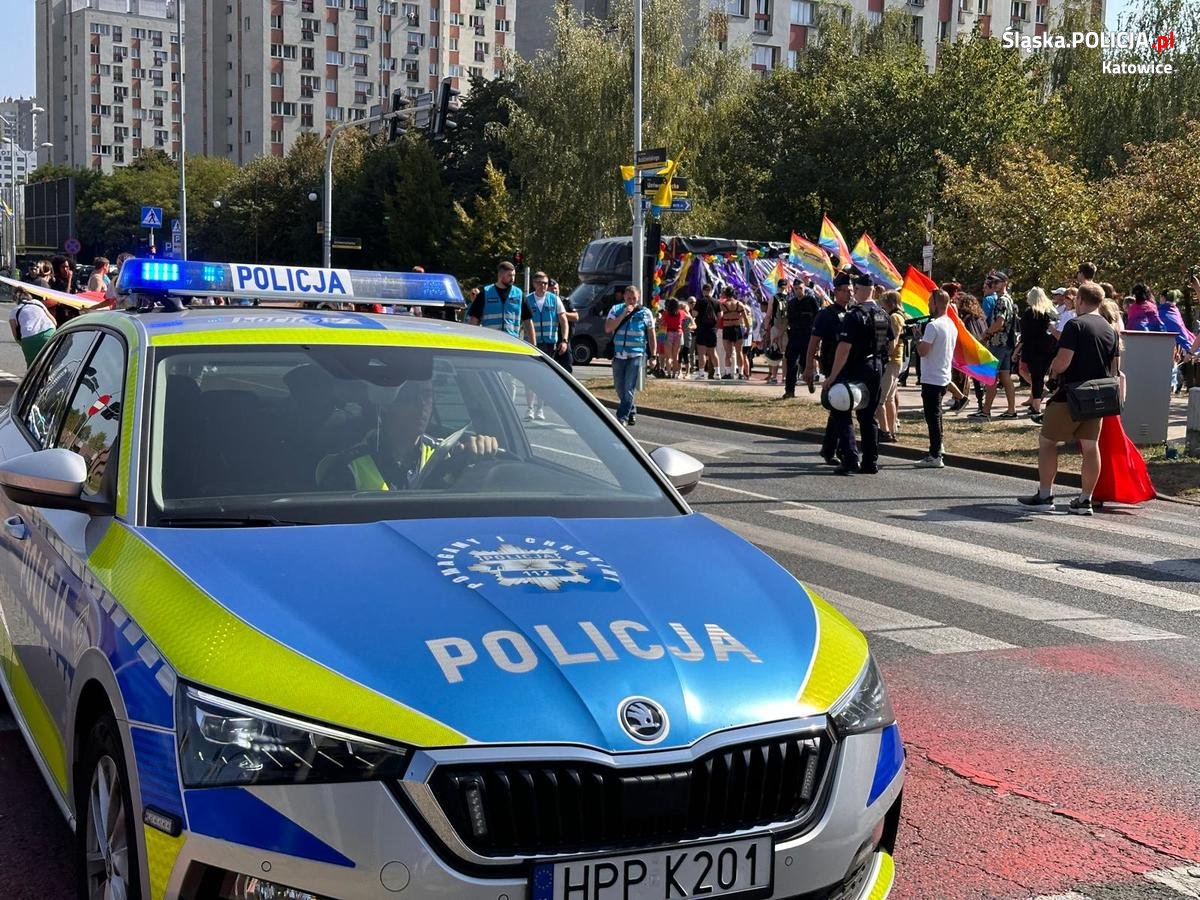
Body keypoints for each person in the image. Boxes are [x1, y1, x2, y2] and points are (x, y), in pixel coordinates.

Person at [1018, 282, 1120, 515]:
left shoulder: (1076, 325)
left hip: (1070, 394)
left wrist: (1052, 374)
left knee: (1047, 442)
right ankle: (1085, 500)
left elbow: (1063, 361)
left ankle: (1045, 495)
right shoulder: (1109, 329)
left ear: (1080, 300)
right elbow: (1115, 368)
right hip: (1097, 396)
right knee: (1091, 447)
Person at [317, 380, 500, 491]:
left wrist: (482, 454)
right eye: (410, 397)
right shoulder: (348, 466)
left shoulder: (448, 454)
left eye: (427, 395)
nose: (422, 405)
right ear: (387, 404)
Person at [822, 272, 893, 476]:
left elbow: (844, 349)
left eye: (855, 289)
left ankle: (850, 458)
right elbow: (890, 345)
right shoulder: (882, 313)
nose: (853, 293)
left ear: (860, 290)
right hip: (876, 367)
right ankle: (870, 462)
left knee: (841, 409)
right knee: (868, 416)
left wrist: (833, 376)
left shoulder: (854, 315)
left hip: (856, 368)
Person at [1089, 299, 1155, 505]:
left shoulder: (1102, 335)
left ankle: (1102, 490)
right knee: (1111, 443)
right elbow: (1116, 371)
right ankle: (1108, 488)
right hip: (1110, 394)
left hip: (1100, 395)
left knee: (1102, 445)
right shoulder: (1112, 335)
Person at [805, 273, 853, 463]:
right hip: (832, 366)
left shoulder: (853, 312)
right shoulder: (826, 314)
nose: (849, 294)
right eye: (846, 290)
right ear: (836, 292)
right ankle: (843, 451)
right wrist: (809, 367)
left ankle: (829, 449)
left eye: (851, 290)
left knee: (839, 407)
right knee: (841, 408)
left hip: (850, 366)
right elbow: (813, 342)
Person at [914, 290, 957, 468]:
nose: (928, 305)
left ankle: (935, 455)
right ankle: (939, 446)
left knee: (932, 416)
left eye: (930, 302)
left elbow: (923, 351)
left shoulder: (933, 326)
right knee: (936, 415)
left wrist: (917, 337)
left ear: (936, 304)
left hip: (932, 377)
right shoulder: (951, 324)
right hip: (943, 375)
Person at [604, 285, 656, 427]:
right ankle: (631, 410)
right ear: (624, 298)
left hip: (636, 354)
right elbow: (608, 328)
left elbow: (651, 335)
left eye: (634, 299)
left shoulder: (645, 313)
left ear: (638, 298)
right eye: (629, 299)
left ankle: (621, 417)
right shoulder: (616, 309)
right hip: (619, 354)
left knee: (629, 386)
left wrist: (653, 356)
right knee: (619, 387)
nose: (631, 301)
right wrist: (623, 315)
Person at [973, 271, 1017, 419]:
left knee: (990, 377)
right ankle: (1011, 410)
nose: (993, 285)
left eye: (997, 282)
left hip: (998, 343)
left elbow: (1000, 322)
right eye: (992, 282)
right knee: (1005, 377)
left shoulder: (1001, 300)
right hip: (1006, 344)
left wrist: (986, 334)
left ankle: (985, 411)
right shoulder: (1009, 299)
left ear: (1005, 283)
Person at [525, 272, 569, 419]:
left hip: (549, 344)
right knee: (530, 377)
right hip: (531, 343)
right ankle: (530, 408)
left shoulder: (554, 299)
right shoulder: (527, 300)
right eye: (540, 283)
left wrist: (564, 340)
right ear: (534, 284)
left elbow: (563, 321)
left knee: (544, 377)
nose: (543, 286)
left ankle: (540, 408)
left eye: (545, 283)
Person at [467, 261, 536, 343]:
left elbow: (528, 320)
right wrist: (470, 342)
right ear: (500, 275)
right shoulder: (486, 293)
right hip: (490, 341)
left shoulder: (519, 294)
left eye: (514, 275)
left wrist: (533, 343)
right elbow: (474, 320)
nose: (512, 279)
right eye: (509, 275)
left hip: (512, 341)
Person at [1019, 287, 1058, 422]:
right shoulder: (1050, 312)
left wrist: (1019, 348)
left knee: (1036, 377)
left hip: (1033, 349)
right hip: (1048, 349)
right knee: (1039, 377)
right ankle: (1036, 402)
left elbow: (1025, 334)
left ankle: (1036, 406)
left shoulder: (1030, 313)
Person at [781, 279, 821, 399]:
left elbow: (818, 318)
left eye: (800, 288)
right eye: (796, 289)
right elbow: (788, 320)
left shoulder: (811, 301)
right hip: (794, 336)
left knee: (804, 363)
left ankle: (810, 382)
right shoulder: (791, 303)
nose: (798, 291)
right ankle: (789, 391)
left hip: (807, 337)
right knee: (791, 363)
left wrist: (817, 339)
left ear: (804, 288)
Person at [8, 287, 57, 366]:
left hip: (29, 338)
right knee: (52, 362)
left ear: (15, 299)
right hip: (49, 332)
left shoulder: (13, 312)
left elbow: (16, 337)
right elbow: (54, 321)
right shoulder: (37, 303)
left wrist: (25, 345)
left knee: (33, 366)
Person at [763, 279, 790, 385]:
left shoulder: (773, 298)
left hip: (776, 328)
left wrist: (766, 329)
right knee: (785, 354)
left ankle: (774, 376)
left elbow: (768, 315)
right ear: (786, 287)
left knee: (775, 351)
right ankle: (785, 377)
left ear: (778, 287)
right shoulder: (790, 298)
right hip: (787, 329)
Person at [691, 283, 720, 379]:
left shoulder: (700, 301)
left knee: (701, 353)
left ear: (703, 291)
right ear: (711, 290)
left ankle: (702, 374)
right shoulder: (716, 302)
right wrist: (715, 327)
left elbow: (694, 314)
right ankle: (717, 373)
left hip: (702, 329)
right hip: (712, 330)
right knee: (713, 352)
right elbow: (720, 316)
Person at [551, 278, 577, 371]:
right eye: (552, 289)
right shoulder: (545, 302)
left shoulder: (565, 301)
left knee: (567, 366)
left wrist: (561, 313)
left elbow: (576, 317)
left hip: (564, 339)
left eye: (556, 288)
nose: (554, 291)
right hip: (551, 339)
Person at [718, 286, 744, 380]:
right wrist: (747, 328)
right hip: (737, 328)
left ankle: (728, 373)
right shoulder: (739, 304)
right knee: (739, 352)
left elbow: (720, 317)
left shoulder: (723, 305)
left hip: (727, 328)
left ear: (725, 294)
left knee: (728, 353)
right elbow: (745, 317)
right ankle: (741, 373)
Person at [659, 295, 687, 378]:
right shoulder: (681, 313)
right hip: (678, 334)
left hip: (668, 333)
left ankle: (669, 373)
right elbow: (689, 317)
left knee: (668, 357)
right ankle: (675, 374)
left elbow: (661, 322)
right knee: (676, 356)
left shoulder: (665, 313)